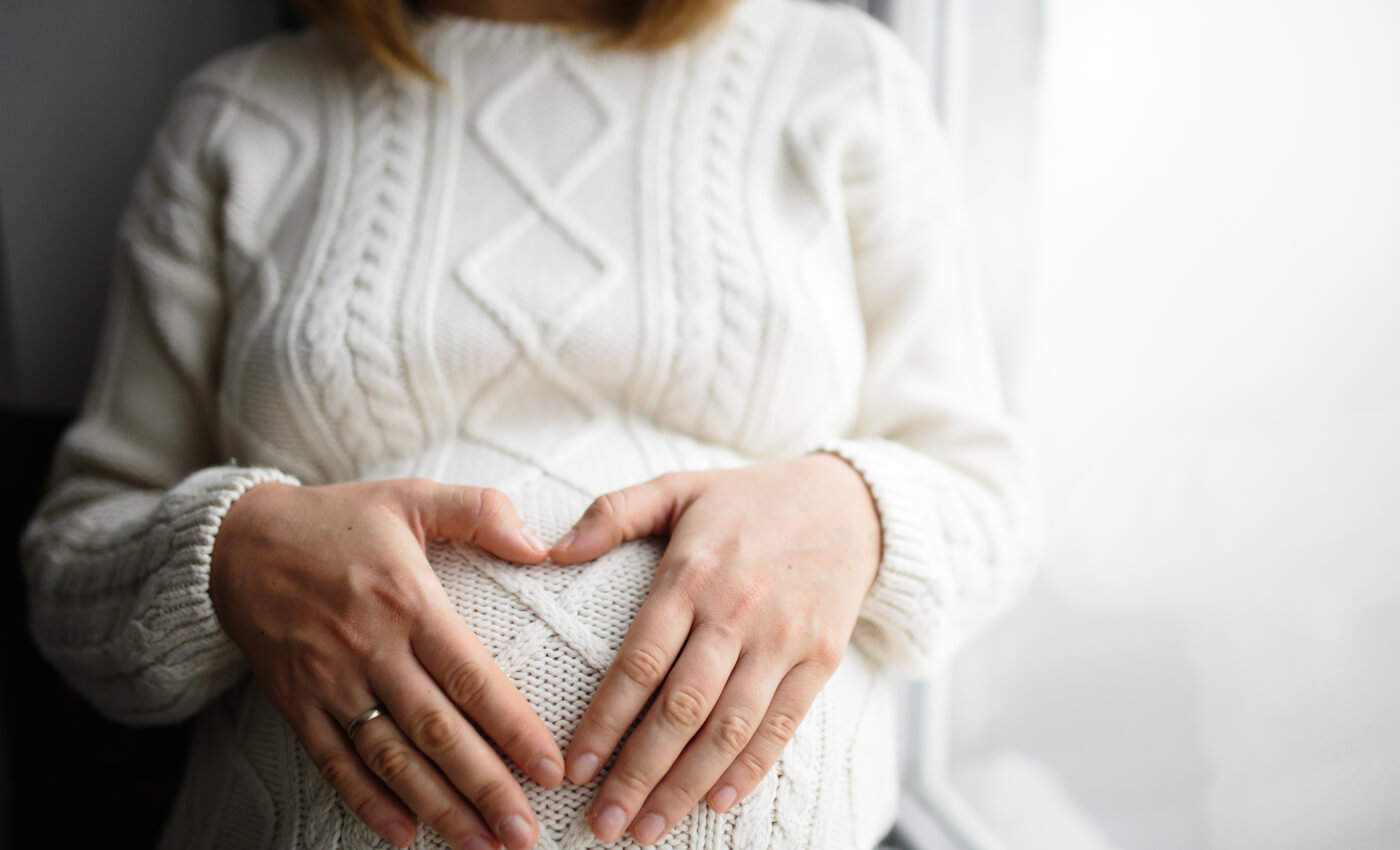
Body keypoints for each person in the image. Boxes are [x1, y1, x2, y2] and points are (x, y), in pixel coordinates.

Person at [20, 0, 1042, 847]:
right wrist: (235, 553)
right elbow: (71, 563)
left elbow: (989, 503)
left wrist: (852, 513)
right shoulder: (240, 114)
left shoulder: (843, 77)